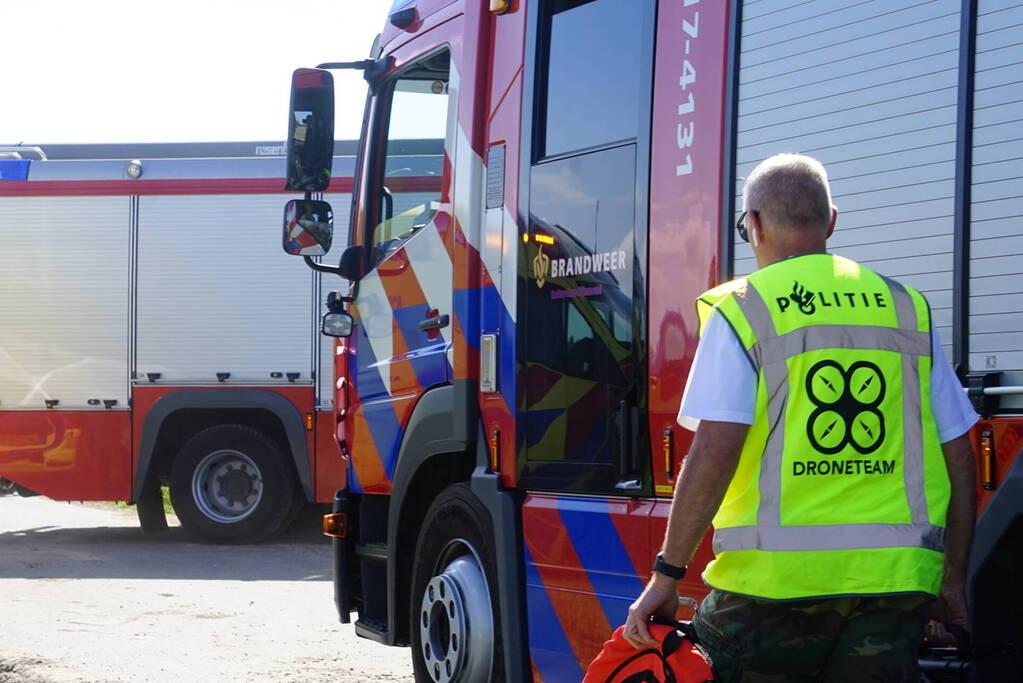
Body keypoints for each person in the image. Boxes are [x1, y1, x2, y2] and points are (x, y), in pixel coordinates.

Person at [623, 153, 978, 681]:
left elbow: (716, 449)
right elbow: (960, 457)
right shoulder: (907, 308)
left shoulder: (744, 308)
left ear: (755, 226)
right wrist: (951, 581)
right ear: (831, 220)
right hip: (893, 589)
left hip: (772, 592)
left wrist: (667, 574)